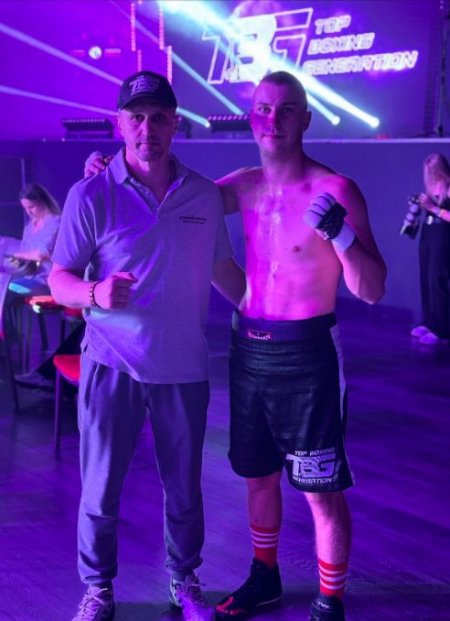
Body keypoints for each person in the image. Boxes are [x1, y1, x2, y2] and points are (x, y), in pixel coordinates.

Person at [85, 71, 387, 621]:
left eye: (287, 109)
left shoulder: (336, 189)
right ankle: (264, 576)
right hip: (249, 347)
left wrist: (341, 235)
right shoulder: (241, 186)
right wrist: (110, 169)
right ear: (251, 119)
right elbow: (169, 189)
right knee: (257, 474)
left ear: (306, 118)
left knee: (320, 487)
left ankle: (330, 602)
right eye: (264, 109)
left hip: (307, 352)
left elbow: (371, 290)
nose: (274, 120)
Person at [49, 69, 245, 621]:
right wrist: (95, 292)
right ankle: (98, 589)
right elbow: (59, 279)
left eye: (158, 118)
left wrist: (271, 314)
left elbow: (223, 270)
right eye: (136, 118)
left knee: (184, 488)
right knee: (101, 487)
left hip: (183, 365)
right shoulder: (90, 193)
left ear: (175, 124)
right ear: (119, 123)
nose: (147, 129)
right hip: (110, 363)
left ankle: (185, 581)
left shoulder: (202, 194)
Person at [410, 153, 450, 345]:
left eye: (432, 171)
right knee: (425, 277)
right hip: (428, 234)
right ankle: (430, 322)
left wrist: (432, 208)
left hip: (443, 236)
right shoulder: (431, 188)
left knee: (437, 279)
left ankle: (442, 330)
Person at [5, 183, 60, 299]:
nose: (28, 212)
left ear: (43, 202)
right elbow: (26, 259)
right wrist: (15, 261)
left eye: (31, 207)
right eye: (25, 208)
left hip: (48, 279)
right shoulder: (29, 228)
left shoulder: (55, 223)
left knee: (8, 290)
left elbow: (41, 254)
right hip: (29, 277)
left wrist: (19, 255)